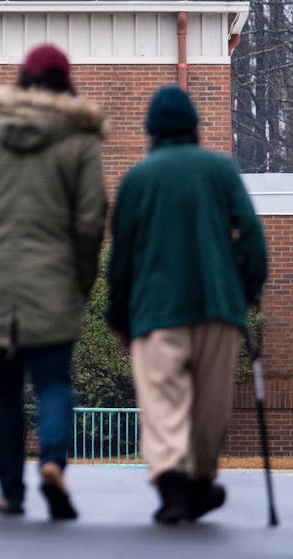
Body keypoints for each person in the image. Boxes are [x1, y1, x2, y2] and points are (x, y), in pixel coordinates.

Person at [0, 44, 107, 520]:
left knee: (2, 389)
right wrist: (83, 281)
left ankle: (10, 491)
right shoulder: (79, 141)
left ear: (21, 82)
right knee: (52, 381)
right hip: (55, 284)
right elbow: (92, 221)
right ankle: (52, 463)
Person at [106, 85, 268, 525]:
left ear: (152, 133)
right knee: (210, 404)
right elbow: (252, 235)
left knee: (163, 401)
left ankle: (174, 485)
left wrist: (118, 314)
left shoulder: (138, 180)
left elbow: (121, 259)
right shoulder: (220, 170)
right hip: (218, 307)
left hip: (157, 314)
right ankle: (199, 480)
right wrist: (249, 290)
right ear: (195, 128)